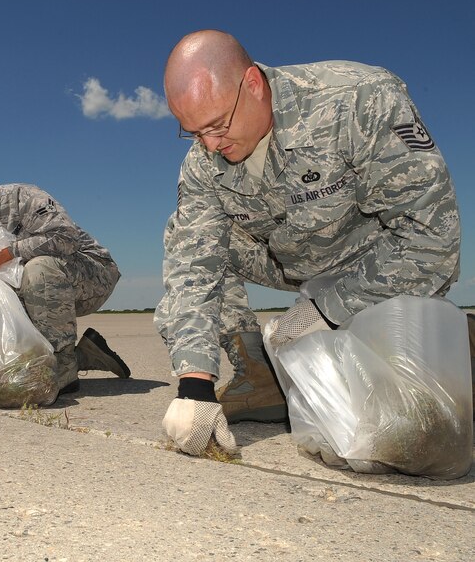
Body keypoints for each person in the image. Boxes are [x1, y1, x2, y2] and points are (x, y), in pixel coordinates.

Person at [157, 30, 461, 456]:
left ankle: (437, 342)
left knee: (405, 432)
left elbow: (432, 237)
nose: (211, 145)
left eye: (218, 125)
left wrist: (328, 307)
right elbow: (193, 265)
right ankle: (259, 375)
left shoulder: (357, 100)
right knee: (186, 233)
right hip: (291, 261)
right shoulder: (203, 163)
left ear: (253, 84)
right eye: (193, 133)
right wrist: (194, 383)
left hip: (373, 264)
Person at [0, 161, 131, 403]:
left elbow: (66, 236)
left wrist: (10, 252)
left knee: (38, 268)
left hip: (90, 275)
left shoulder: (17, 198)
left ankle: (64, 367)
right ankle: (85, 355)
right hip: (38, 296)